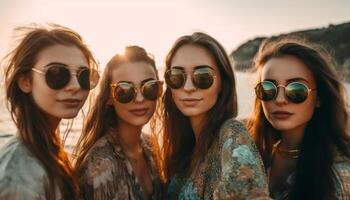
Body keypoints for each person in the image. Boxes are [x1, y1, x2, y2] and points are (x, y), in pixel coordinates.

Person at [161, 32, 270, 199]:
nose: (188, 87)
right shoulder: (184, 145)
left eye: (203, 76)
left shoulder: (231, 133)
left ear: (222, 83)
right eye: (176, 76)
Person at [0, 24, 100, 199]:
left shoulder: (46, 151)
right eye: (57, 74)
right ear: (25, 82)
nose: (75, 86)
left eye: (84, 75)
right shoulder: (19, 172)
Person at [246, 38, 350, 199]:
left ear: (319, 97)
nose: (280, 100)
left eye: (296, 90)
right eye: (268, 89)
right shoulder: (254, 150)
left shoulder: (339, 174)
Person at [74, 46, 164, 199]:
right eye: (125, 90)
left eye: (149, 87)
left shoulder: (150, 145)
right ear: (109, 97)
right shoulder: (100, 164)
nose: (140, 99)